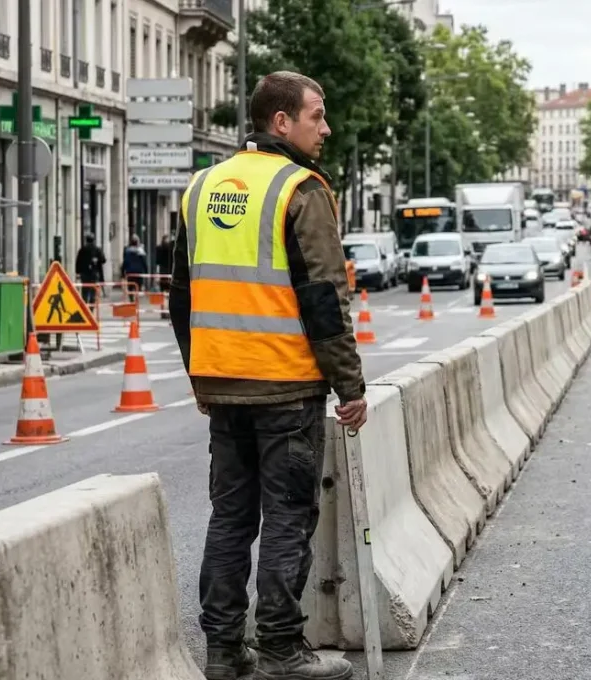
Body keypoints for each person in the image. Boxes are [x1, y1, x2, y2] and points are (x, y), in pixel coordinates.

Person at [169, 70, 367, 680]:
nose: (325, 128)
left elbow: (181, 297)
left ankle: (223, 651)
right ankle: (281, 647)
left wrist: (200, 376)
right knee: (286, 516)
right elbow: (325, 300)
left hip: (224, 386)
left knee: (230, 515)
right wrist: (350, 386)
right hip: (284, 386)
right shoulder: (300, 189)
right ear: (281, 122)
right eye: (317, 115)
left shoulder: (203, 186)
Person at [75, 233, 106, 305]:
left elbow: (78, 261)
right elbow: (103, 260)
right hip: (94, 273)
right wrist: (97, 260)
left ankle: (84, 306)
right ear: (94, 240)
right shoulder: (97, 249)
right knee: (93, 291)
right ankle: (91, 308)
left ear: (86, 240)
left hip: (84, 274)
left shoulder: (82, 249)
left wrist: (78, 272)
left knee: (85, 291)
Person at [121, 235, 148, 301]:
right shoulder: (141, 252)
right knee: (138, 286)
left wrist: (122, 272)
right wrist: (146, 271)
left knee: (130, 287)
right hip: (139, 272)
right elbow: (144, 263)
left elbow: (125, 262)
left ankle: (131, 300)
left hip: (130, 272)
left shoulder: (127, 252)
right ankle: (136, 299)